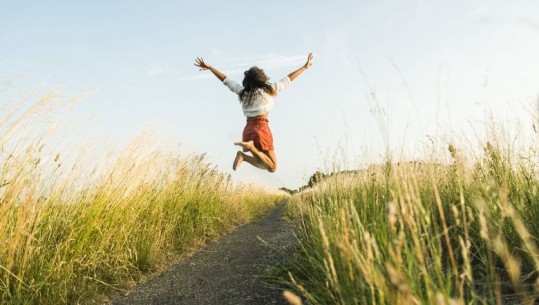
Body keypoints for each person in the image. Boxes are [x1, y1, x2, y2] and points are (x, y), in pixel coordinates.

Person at [194, 52, 313, 172]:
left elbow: (226, 80)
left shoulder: (243, 93)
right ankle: (250, 149)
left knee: (264, 163)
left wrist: (210, 67)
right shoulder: (269, 90)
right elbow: (288, 79)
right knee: (272, 167)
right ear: (261, 78)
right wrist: (305, 67)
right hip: (261, 128)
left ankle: (244, 156)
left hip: (248, 130)